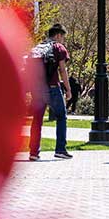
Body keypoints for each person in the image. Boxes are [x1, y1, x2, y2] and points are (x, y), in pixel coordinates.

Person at [29, 23, 73, 160]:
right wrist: (68, 89)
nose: (63, 40)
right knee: (61, 116)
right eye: (63, 37)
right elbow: (62, 69)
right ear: (58, 35)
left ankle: (34, 152)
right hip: (52, 87)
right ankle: (60, 149)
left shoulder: (37, 48)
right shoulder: (58, 48)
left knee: (37, 119)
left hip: (37, 88)